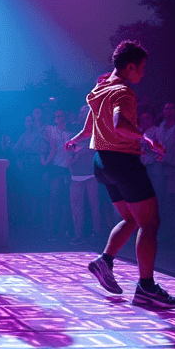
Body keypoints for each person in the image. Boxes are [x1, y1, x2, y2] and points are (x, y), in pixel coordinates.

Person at [66, 40, 175, 310]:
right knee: (150, 223)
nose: (143, 73)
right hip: (123, 162)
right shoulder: (124, 92)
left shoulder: (98, 89)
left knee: (131, 218)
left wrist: (73, 141)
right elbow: (120, 125)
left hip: (101, 162)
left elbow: (88, 130)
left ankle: (104, 261)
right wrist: (148, 140)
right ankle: (147, 288)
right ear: (130, 66)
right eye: (141, 68)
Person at [148, 102, 175, 244]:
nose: (167, 110)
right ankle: (165, 232)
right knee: (161, 203)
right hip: (159, 170)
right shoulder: (159, 129)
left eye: (171, 108)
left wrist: (167, 158)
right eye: (165, 108)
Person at [68, 104, 101, 245]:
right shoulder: (73, 129)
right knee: (76, 205)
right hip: (76, 173)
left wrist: (80, 149)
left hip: (92, 173)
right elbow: (69, 147)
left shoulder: (97, 129)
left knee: (95, 205)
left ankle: (98, 234)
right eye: (81, 112)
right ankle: (78, 235)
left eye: (86, 112)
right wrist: (77, 151)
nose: (83, 114)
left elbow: (95, 148)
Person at [41, 108, 72, 238]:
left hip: (69, 167)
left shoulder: (70, 132)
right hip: (55, 167)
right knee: (54, 197)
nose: (58, 118)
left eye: (60, 115)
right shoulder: (51, 130)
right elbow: (48, 148)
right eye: (56, 116)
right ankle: (51, 227)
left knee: (66, 199)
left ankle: (63, 228)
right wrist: (45, 161)